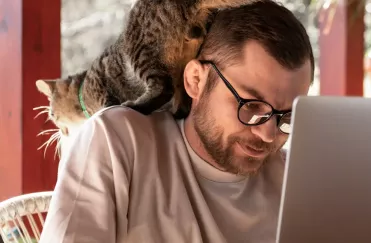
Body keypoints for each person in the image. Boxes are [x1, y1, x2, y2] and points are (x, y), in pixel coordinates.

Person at [39, 0, 314, 242]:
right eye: (251, 105)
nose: (268, 134)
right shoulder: (116, 144)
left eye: (287, 116)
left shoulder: (295, 181)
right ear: (196, 80)